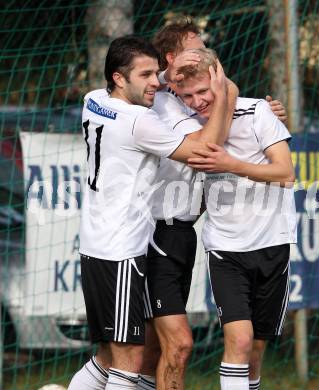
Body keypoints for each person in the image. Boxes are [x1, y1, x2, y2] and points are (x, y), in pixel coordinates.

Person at [68, 35, 232, 390]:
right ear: (118, 78)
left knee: (109, 357)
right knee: (129, 362)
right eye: (145, 75)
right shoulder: (137, 122)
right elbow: (205, 151)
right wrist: (225, 95)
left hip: (95, 246)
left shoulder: (93, 100)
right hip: (121, 251)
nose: (155, 82)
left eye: (156, 72)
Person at [137, 20, 288, 390]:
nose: (206, 57)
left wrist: (266, 115)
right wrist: (227, 93)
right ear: (172, 62)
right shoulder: (162, 104)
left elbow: (277, 165)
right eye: (196, 47)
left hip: (195, 233)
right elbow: (209, 153)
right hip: (164, 234)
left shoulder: (218, 104)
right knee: (175, 345)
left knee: (158, 349)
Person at [175, 48, 297, 390]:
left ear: (219, 80)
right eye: (187, 96)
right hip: (226, 248)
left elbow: (285, 172)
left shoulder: (258, 111)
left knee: (255, 350)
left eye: (203, 91)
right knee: (239, 341)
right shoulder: (188, 127)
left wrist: (231, 165)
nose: (197, 101)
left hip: (273, 243)